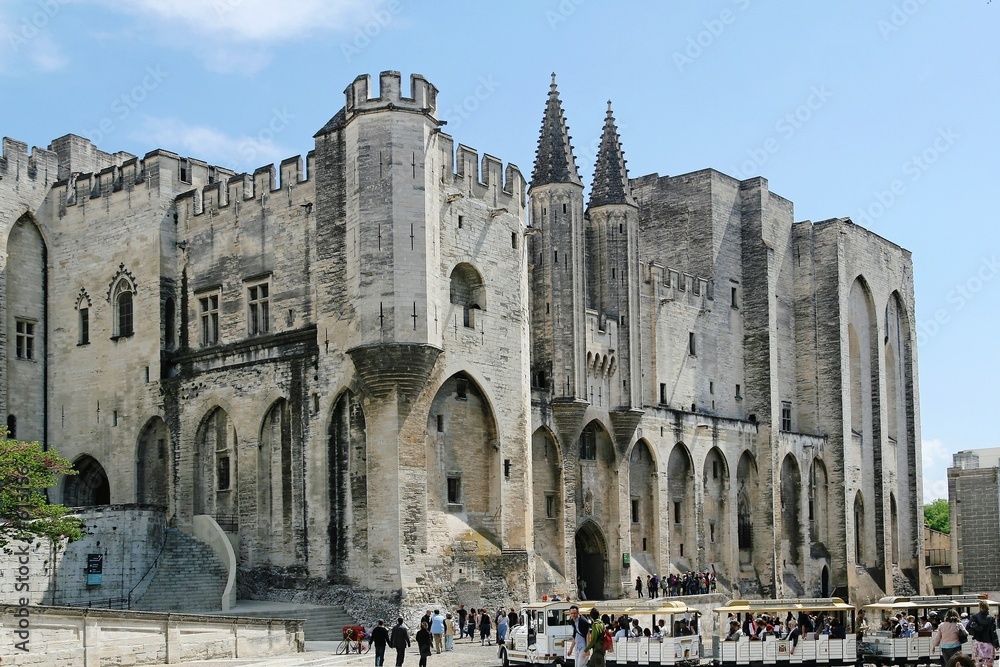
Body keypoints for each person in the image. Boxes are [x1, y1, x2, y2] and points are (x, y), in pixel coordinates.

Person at [967, 599, 997, 667]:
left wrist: (975, 632)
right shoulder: (991, 618)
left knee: (978, 663)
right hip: (989, 643)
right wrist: (996, 644)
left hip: (978, 643)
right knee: (989, 664)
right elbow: (993, 632)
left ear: (979, 607)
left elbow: (968, 627)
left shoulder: (975, 617)